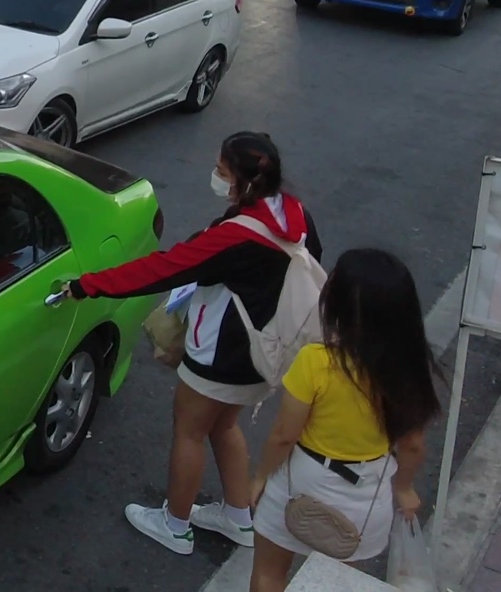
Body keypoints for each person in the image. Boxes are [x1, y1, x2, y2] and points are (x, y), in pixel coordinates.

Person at [64, 132, 322, 557]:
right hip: (265, 351)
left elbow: (164, 270)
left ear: (243, 179)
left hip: (221, 352)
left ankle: (175, 524)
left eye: (222, 169)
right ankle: (238, 517)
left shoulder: (236, 236)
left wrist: (87, 285)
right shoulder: (294, 213)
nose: (217, 175)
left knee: (189, 431)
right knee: (224, 426)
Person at [248, 250, 440, 591]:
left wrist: (261, 477)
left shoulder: (316, 361)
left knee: (269, 573)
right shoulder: (407, 371)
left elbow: (283, 436)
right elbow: (412, 444)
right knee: (333, 583)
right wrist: (404, 488)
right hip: (365, 499)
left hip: (304, 479)